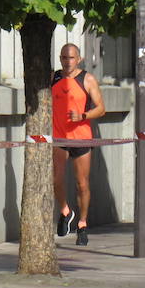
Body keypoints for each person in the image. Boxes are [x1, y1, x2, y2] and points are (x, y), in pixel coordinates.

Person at [52, 43, 106, 246]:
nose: (68, 62)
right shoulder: (54, 78)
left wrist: (82, 116)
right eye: (64, 58)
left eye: (72, 58)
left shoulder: (87, 79)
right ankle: (66, 211)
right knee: (56, 179)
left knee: (81, 183)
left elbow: (101, 109)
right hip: (58, 136)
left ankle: (82, 224)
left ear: (79, 59)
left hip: (81, 136)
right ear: (60, 59)